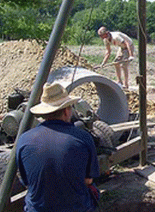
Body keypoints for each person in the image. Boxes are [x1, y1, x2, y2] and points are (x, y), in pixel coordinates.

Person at [16, 83, 100, 212]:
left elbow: (27, 181)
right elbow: (88, 180)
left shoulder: (24, 139)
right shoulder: (83, 137)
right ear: (66, 111)